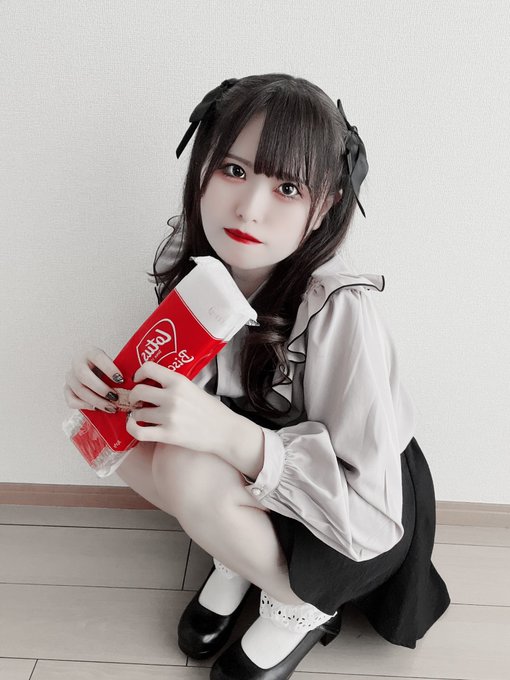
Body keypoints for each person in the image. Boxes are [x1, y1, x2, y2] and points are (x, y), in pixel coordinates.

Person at [63, 74, 450, 679]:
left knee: (186, 466)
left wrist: (224, 434)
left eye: (287, 186)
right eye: (234, 170)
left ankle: (299, 607)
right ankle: (239, 557)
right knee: (121, 438)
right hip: (261, 470)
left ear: (324, 205)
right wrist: (109, 389)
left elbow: (372, 517)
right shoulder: (195, 264)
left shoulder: (337, 308)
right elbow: (175, 389)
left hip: (348, 514)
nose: (249, 208)